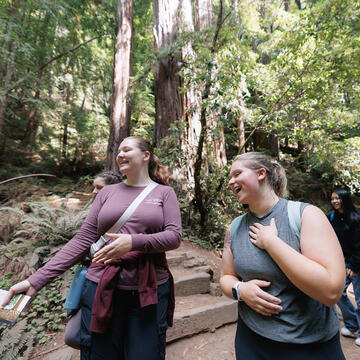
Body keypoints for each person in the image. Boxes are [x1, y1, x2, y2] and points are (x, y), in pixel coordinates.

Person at [1, 136, 182, 360]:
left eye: (127, 149)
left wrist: (132, 242)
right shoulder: (107, 193)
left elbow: (174, 237)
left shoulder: (164, 193)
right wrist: (35, 281)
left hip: (149, 290)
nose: (120, 155)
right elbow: (83, 239)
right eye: (118, 151)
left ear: (146, 156)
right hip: (101, 288)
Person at [220, 152, 346, 360]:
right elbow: (226, 277)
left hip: (309, 346)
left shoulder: (306, 215)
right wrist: (240, 289)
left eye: (237, 174)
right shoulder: (235, 227)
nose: (230, 181)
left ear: (261, 174)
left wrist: (272, 243)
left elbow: (331, 292)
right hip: (251, 340)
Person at [329, 189, 360, 346]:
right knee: (339, 294)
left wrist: (354, 266)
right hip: (341, 262)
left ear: (345, 199)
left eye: (338, 198)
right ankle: (352, 325)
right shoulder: (332, 217)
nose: (334, 201)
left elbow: (359, 245)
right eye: (333, 198)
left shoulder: (356, 219)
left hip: (356, 262)